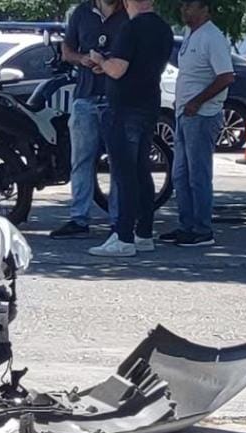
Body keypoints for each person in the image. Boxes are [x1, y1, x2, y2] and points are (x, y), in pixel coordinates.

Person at [86, 0, 173, 257]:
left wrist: (100, 58)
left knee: (123, 174)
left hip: (124, 107)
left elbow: (118, 69)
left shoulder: (131, 28)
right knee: (141, 170)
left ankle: (122, 236)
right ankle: (143, 233)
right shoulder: (163, 29)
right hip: (149, 103)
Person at [49, 0, 128, 240]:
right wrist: (82, 59)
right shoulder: (82, 12)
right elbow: (67, 51)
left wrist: (108, 64)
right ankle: (79, 219)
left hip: (117, 98)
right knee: (81, 160)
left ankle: (118, 221)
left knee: (118, 162)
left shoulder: (128, 12)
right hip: (86, 95)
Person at [159, 0, 234, 247]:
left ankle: (202, 229)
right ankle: (186, 225)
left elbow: (225, 76)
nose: (184, 10)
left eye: (190, 6)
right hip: (183, 114)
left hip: (202, 115)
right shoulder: (191, 34)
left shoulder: (213, 37)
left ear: (205, 9)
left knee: (198, 174)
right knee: (180, 174)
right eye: (183, 6)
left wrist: (197, 101)